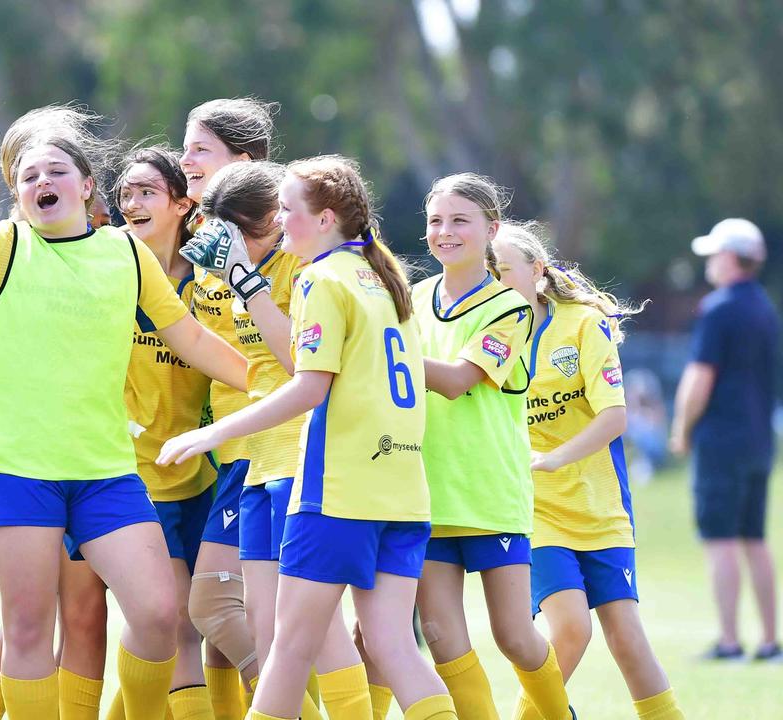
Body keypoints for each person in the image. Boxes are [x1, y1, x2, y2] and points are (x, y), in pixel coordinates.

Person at [0, 110, 248, 720]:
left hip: (103, 470)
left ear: (86, 186)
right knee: (30, 628)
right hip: (9, 466)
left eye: (56, 171)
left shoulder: (125, 254)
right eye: (28, 176)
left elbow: (191, 339)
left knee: (160, 613)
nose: (40, 182)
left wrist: (280, 384)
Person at [163, 154, 460, 720]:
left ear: (325, 219)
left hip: (336, 493)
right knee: (394, 648)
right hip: (400, 491)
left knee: (289, 649)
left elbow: (308, 388)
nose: (279, 220)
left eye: (288, 210)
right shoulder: (383, 272)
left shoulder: (321, 278)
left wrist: (213, 434)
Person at [493, 222, 686, 719]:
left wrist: (554, 458)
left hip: (600, 506)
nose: (493, 280)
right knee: (572, 627)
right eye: (487, 272)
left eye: (504, 270)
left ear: (536, 271)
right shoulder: (483, 332)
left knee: (626, 637)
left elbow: (615, 417)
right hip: (533, 508)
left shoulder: (583, 323)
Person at [412, 173, 574, 720]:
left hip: (488, 496)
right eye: (436, 221)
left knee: (514, 638)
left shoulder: (510, 308)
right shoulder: (409, 300)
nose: (445, 232)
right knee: (443, 641)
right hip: (426, 497)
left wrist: (380, 352)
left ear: (491, 229)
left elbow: (459, 380)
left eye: (460, 220)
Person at [180, 97, 279, 720]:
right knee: (220, 640)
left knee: (214, 611)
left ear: (244, 162)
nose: (184, 158)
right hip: (218, 451)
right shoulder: (198, 239)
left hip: (268, 449)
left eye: (200, 148)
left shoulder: (284, 240)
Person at [670, 218, 780, 662]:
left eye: (715, 255)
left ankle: (730, 641)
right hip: (758, 440)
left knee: (720, 539)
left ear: (732, 258)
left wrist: (681, 429)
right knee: (754, 538)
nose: (710, 263)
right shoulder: (765, 308)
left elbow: (700, 377)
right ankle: (771, 641)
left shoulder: (719, 308)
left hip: (721, 440)